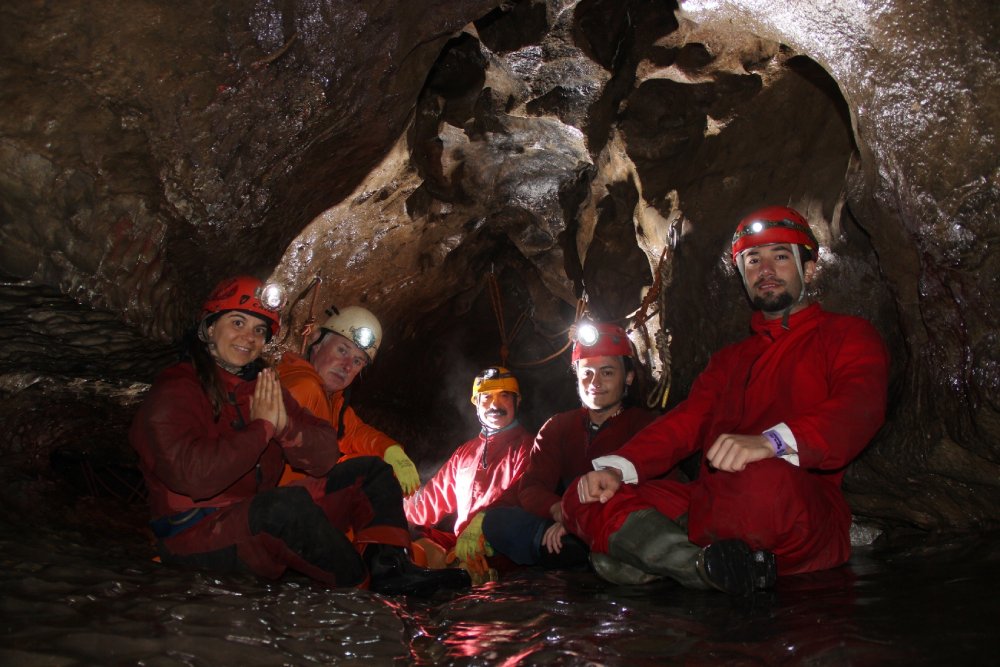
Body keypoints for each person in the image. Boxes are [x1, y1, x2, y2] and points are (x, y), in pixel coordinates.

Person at [565, 205, 890, 595]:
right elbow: (685, 422)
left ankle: (649, 555)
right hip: (711, 504)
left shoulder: (848, 336)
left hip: (791, 503)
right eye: (753, 260)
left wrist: (771, 443)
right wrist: (619, 468)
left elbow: (857, 410)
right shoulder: (730, 360)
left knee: (761, 483)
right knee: (584, 493)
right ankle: (699, 566)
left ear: (811, 267)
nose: (765, 270)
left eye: (780, 257)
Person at [130, 275, 468, 596]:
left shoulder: (261, 387)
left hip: (255, 518)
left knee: (371, 472)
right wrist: (262, 428)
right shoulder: (177, 389)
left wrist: (286, 426)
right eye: (237, 323)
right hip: (196, 535)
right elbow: (194, 476)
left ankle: (389, 570)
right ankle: (364, 588)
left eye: (258, 329)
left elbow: (325, 454)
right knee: (287, 507)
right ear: (209, 326)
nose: (249, 337)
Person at [481, 322, 662, 569]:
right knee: (497, 521)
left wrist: (583, 518)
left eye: (607, 372)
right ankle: (589, 556)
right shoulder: (559, 426)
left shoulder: (645, 426)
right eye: (587, 372)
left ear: (628, 377)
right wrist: (562, 513)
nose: (595, 382)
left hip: (620, 522)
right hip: (565, 528)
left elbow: (664, 487)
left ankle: (591, 554)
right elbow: (531, 487)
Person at [276, 305, 420, 497]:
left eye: (357, 361)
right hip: (282, 504)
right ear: (317, 344)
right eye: (342, 351)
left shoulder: (332, 400)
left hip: (295, 500)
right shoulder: (303, 388)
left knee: (374, 465)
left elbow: (355, 433)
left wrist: (392, 452)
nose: (347, 366)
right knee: (370, 475)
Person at [404, 367, 534, 572]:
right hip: (462, 545)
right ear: (476, 405)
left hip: (500, 548)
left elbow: (524, 496)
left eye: (504, 396)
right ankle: (460, 571)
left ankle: (471, 574)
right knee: (404, 531)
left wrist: (485, 522)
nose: (495, 404)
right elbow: (430, 501)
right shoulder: (465, 452)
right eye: (487, 397)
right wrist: (393, 502)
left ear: (517, 402)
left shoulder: (528, 446)